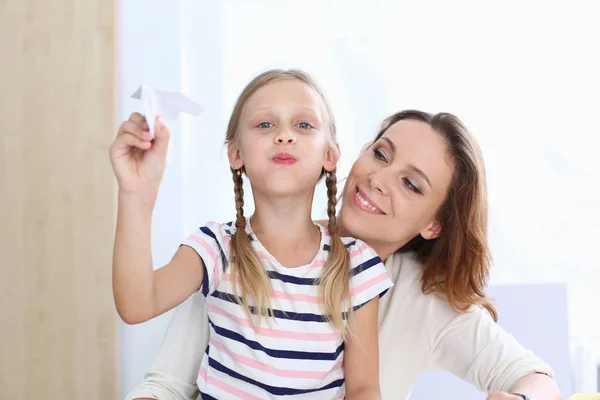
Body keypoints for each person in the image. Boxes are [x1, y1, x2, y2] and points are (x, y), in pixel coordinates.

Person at [125, 109, 561, 400]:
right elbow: (164, 385)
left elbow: (536, 377)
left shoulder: (425, 303)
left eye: (411, 184)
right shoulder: (239, 251)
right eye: (380, 154)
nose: (378, 178)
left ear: (434, 225)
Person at [110, 69, 394, 399]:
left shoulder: (357, 265)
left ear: (329, 156)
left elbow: (363, 388)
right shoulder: (215, 248)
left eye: (303, 125)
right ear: (236, 154)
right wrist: (136, 196)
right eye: (264, 124)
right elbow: (136, 305)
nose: (285, 135)